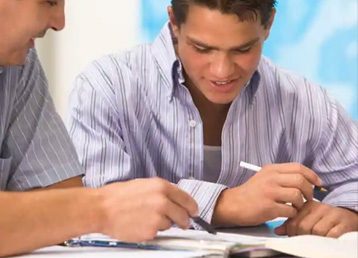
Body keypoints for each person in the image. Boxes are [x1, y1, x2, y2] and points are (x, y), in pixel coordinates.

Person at [68, 0, 358, 238]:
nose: (221, 71)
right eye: (202, 48)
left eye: (243, 49)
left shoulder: (302, 100)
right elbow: (90, 213)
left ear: (268, 26)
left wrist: (347, 213)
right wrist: (225, 204)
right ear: (174, 23)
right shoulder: (106, 87)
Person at [0, 0, 198, 256]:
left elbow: (63, 209)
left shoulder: (18, 67)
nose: (60, 22)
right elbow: (71, 214)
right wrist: (101, 209)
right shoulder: (106, 81)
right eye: (48, 1)